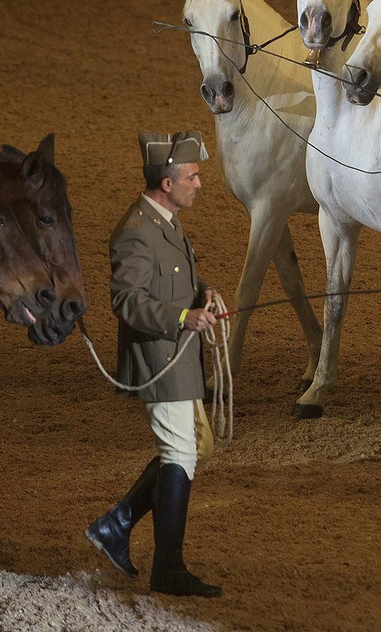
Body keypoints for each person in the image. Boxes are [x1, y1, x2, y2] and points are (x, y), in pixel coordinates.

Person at [86, 130, 222, 596]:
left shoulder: (163, 218)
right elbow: (126, 300)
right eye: (193, 176)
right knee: (181, 453)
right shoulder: (136, 232)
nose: (199, 183)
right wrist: (184, 316)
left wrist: (202, 291)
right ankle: (167, 567)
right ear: (167, 183)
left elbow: (177, 274)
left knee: (193, 447)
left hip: (178, 355)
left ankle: (117, 523)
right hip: (159, 360)